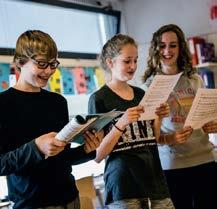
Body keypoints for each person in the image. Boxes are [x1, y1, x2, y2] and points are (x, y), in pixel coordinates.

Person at [0, 30, 101, 209]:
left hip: (70, 199)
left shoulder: (57, 102)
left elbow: (63, 158)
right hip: (31, 204)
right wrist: (36, 148)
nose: (48, 71)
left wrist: (88, 149)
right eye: (41, 64)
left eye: (53, 64)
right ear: (20, 62)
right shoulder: (3, 104)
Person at [88, 33, 175, 209]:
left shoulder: (142, 94)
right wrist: (121, 123)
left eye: (135, 60)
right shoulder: (99, 99)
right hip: (124, 188)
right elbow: (97, 155)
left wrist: (159, 116)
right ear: (110, 62)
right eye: (127, 61)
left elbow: (153, 139)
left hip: (155, 184)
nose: (133, 66)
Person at [142, 24, 217, 209]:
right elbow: (149, 137)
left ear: (180, 47)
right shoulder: (149, 86)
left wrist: (213, 124)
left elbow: (207, 116)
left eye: (173, 45)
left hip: (205, 160)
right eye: (162, 45)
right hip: (172, 166)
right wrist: (171, 138)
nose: (167, 51)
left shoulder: (195, 79)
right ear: (155, 49)